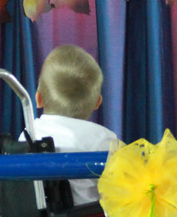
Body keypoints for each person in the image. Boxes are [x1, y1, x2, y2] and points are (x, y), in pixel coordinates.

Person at [30, 45, 119, 205]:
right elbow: (125, 193)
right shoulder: (102, 140)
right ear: (98, 102)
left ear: (38, 98)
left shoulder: (28, 135)